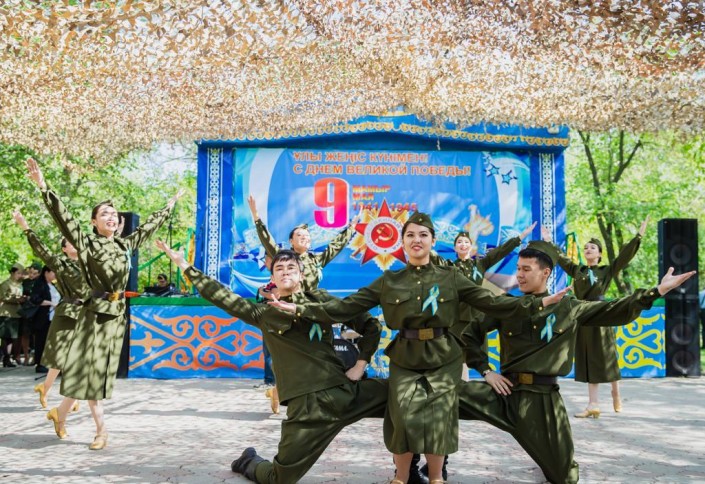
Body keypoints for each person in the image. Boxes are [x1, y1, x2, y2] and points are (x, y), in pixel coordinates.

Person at [270, 212, 565, 484]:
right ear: (402, 243)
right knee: (401, 413)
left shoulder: (451, 277)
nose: (417, 240)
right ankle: (401, 477)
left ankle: (436, 478)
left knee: (440, 414)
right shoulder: (390, 280)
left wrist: (538, 303)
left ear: (433, 241)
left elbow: (493, 303)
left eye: (423, 235)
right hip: (406, 356)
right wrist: (300, 310)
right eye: (410, 235)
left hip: (443, 355)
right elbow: (345, 307)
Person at [458, 240, 695, 484]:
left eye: (526, 269)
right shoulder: (509, 305)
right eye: (518, 268)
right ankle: (434, 471)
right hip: (504, 394)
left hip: (543, 401)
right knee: (439, 397)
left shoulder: (568, 307)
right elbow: (469, 337)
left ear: (545, 273)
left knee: (565, 477)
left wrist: (657, 290)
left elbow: (615, 309)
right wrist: (486, 371)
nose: (519, 274)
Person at [156, 242, 388, 483]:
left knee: (406, 400)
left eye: (291, 267)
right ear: (272, 278)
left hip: (346, 393)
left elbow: (370, 325)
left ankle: (406, 471)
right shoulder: (264, 313)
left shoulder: (321, 300)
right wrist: (184, 265)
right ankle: (249, 462)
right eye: (279, 268)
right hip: (306, 409)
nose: (285, 271)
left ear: (301, 274)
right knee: (278, 479)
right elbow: (224, 297)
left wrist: (360, 364)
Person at [26, 157, 182, 450]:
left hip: (116, 314)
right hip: (93, 315)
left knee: (93, 372)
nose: (111, 217)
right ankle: (101, 431)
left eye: (113, 213)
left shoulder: (124, 245)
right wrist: (44, 187)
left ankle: (60, 414)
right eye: (104, 214)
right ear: (94, 222)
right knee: (93, 372)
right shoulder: (86, 243)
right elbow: (64, 218)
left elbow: (148, 228)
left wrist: (169, 206)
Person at [544, 218, 647, 416]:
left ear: (599, 254)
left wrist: (638, 237)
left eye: (592, 247)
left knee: (607, 356)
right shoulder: (578, 270)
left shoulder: (606, 271)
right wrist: (549, 241)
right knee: (589, 358)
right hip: (583, 315)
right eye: (586, 247)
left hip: (601, 313)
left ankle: (615, 392)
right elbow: (561, 258)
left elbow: (623, 258)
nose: (588, 249)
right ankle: (593, 405)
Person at [13, 210, 89, 409]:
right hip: (67, 312)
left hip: (86, 313)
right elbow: (41, 249)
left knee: (79, 356)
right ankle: (46, 388)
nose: (75, 243)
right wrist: (25, 226)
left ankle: (68, 396)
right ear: (64, 249)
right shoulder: (60, 263)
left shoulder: (89, 262)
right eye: (69, 242)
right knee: (59, 356)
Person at [247, 195, 359, 291]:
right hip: (290, 304)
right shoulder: (284, 257)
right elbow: (268, 242)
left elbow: (335, 246)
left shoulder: (316, 260)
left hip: (311, 305)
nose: (304, 237)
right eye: (300, 235)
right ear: (291, 241)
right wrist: (256, 218)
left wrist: (351, 229)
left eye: (307, 236)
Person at [27, 265, 59, 373]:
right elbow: (35, 299)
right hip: (43, 317)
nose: (55, 275)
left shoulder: (53, 285)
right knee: (41, 340)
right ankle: (40, 364)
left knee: (50, 341)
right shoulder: (39, 284)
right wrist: (51, 303)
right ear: (46, 272)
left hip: (53, 317)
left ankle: (50, 362)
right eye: (53, 272)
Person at [0, 263, 26, 368]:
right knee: (5, 337)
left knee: (12, 337)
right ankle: (5, 358)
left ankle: (8, 358)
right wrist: (16, 299)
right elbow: (2, 297)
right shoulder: (5, 284)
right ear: (12, 273)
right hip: (6, 313)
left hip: (16, 313)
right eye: (18, 273)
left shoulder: (19, 284)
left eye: (21, 273)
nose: (20, 275)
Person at [16, 262, 41, 366]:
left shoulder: (41, 282)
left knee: (37, 334)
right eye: (30, 272)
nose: (31, 275)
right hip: (26, 310)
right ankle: (26, 356)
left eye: (34, 273)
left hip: (37, 311)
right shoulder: (24, 282)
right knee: (25, 333)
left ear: (39, 273)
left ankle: (36, 357)